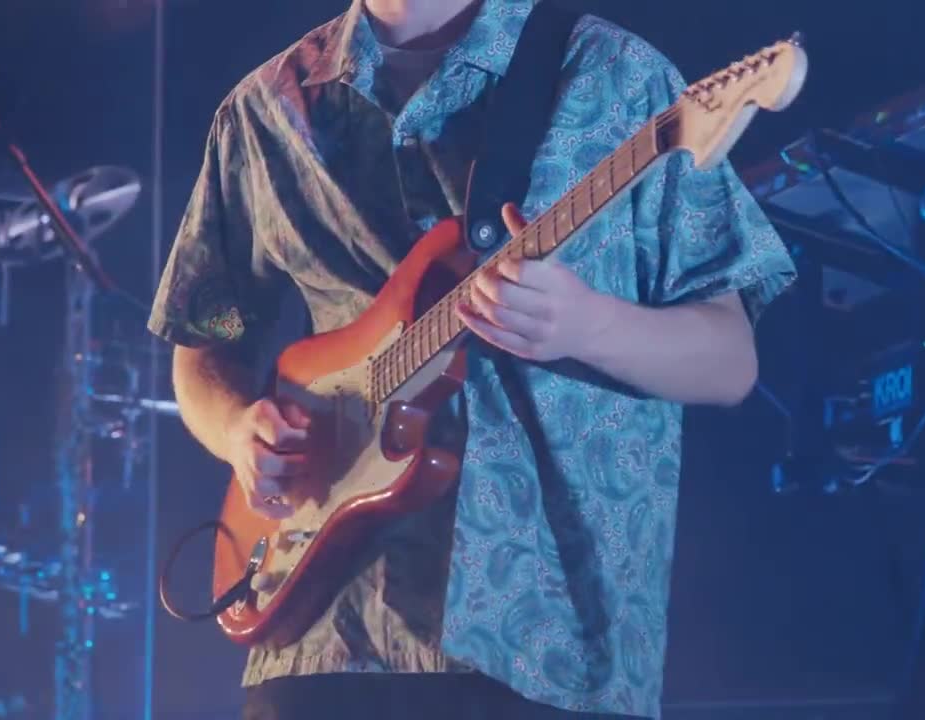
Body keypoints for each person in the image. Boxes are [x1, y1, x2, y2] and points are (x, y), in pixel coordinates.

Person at [147, 0, 796, 718]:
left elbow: (731, 360)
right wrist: (238, 430)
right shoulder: (263, 111)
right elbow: (201, 351)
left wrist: (589, 325)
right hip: (322, 627)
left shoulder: (617, 79)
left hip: (548, 636)